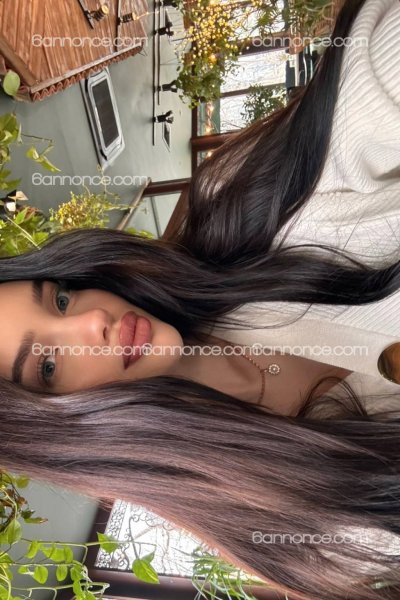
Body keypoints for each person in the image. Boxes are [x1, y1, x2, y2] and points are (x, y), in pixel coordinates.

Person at [0, 0, 400, 598]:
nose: (91, 320)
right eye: (49, 365)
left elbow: (377, 63)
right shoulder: (292, 519)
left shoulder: (250, 215)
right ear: (62, 434)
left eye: (59, 300)